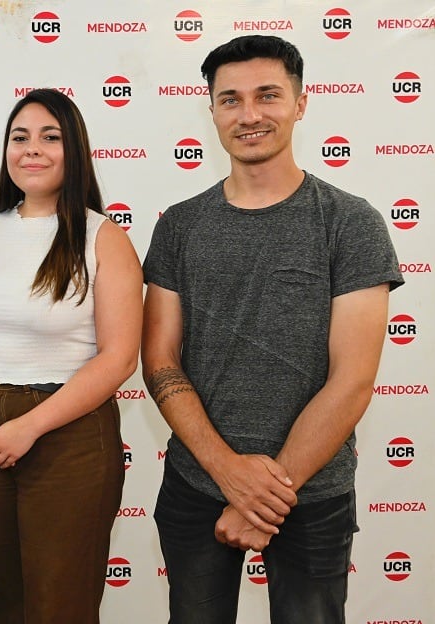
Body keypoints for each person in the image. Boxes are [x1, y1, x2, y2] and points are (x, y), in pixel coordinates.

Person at [142, 35, 403, 623]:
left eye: (268, 95)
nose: (250, 114)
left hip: (314, 494)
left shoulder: (350, 222)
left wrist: (262, 495)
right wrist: (228, 472)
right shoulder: (179, 227)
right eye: (230, 99)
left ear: (301, 103)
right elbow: (159, 360)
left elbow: (354, 380)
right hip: (197, 485)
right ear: (210, 110)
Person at [0, 88, 143, 623]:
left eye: (50, 137)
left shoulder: (103, 237)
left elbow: (120, 357)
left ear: (73, 149)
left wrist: (28, 428)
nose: (32, 150)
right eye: (20, 137)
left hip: (68, 434)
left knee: (60, 604)